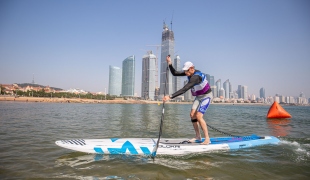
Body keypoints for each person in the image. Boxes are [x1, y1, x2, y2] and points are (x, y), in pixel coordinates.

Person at [163, 55, 213, 145]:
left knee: (198, 116)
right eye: (185, 70)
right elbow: (175, 73)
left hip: (206, 96)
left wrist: (170, 96)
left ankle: (207, 139)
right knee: (192, 115)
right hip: (198, 97)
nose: (185, 72)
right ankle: (198, 136)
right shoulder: (189, 72)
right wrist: (169, 63)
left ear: (192, 68)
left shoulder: (196, 77)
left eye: (186, 70)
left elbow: (185, 89)